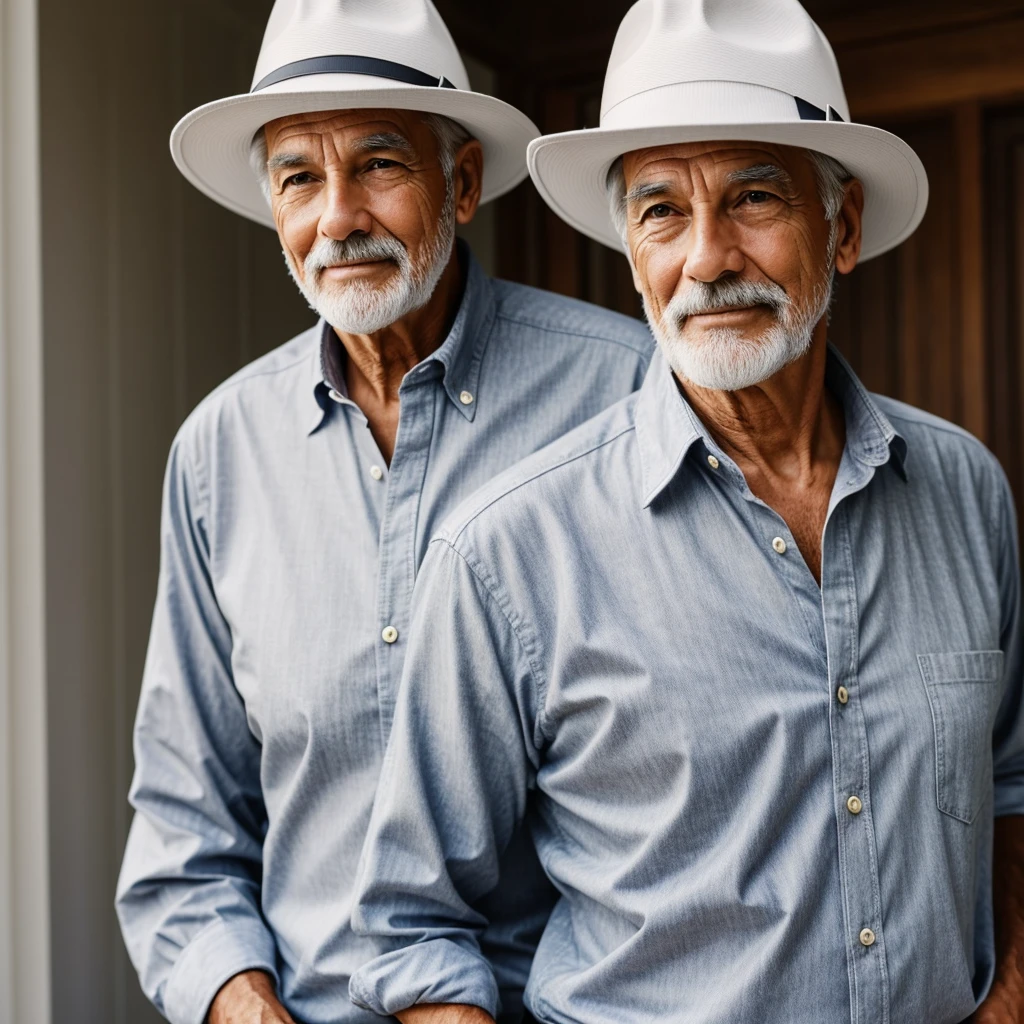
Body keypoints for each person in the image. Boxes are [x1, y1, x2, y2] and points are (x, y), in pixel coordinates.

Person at [348, 1, 1024, 1022]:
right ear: (631, 250)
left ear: (839, 230)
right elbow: (408, 924)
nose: (707, 258)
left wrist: (1009, 992)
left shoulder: (966, 490)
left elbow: (1009, 783)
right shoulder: (509, 551)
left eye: (754, 198)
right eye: (662, 210)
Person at [114, 2, 653, 1022]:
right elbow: (184, 837)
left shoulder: (627, 395)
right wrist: (242, 1002)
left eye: (378, 165)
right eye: (299, 178)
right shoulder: (218, 454)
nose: (337, 217)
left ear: (463, 180)